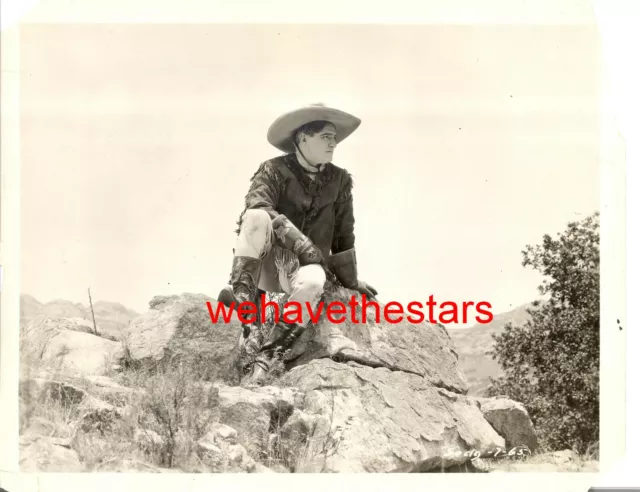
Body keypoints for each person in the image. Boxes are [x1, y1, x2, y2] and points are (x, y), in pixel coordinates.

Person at [218, 103, 377, 384]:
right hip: (266, 264)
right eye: (325, 136)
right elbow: (257, 206)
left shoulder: (339, 180)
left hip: (305, 267)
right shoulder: (273, 170)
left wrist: (351, 281)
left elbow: (344, 233)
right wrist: (298, 240)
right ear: (302, 138)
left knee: (314, 284)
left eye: (334, 137)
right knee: (254, 217)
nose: (333, 142)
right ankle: (247, 319)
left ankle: (266, 359)